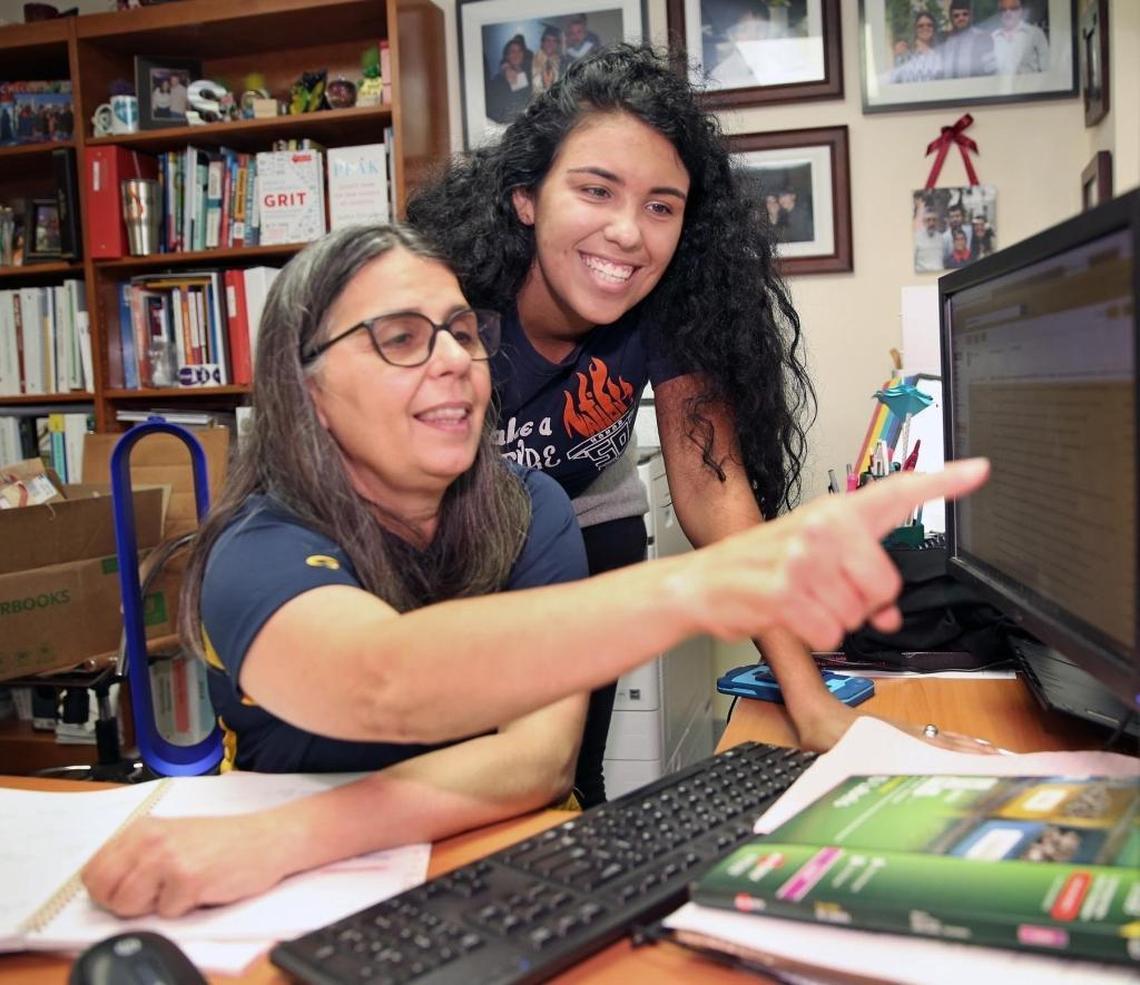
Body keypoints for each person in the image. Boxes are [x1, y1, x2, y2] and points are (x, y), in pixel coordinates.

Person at [78, 222, 992, 918]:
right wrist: (704, 583)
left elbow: (540, 759)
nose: (452, 364)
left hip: (477, 875)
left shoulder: (529, 509)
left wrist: (291, 831)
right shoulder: (255, 546)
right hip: (289, 909)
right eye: (400, 337)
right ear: (303, 388)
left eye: (459, 332)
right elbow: (382, 679)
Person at [407, 45, 993, 807]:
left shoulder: (671, 302)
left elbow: (718, 498)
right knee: (453, 764)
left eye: (661, 205)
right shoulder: (446, 295)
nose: (628, 233)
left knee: (567, 779)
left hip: (589, 515)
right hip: (448, 527)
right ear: (527, 196)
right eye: (595, 190)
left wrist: (811, 703)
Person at [940, 0, 995, 79]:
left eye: (965, 14)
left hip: (974, 88)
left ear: (971, 16)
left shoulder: (982, 37)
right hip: (949, 88)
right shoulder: (947, 41)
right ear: (951, 18)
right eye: (956, 16)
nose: (961, 18)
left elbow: (991, 71)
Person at [992, 0, 1049, 75]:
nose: (1008, 12)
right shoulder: (993, 37)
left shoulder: (1036, 33)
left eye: (1013, 8)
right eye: (1003, 9)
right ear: (999, 13)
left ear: (1020, 11)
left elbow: (1046, 68)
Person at [486, 34, 532, 125]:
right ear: (507, 56)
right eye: (512, 51)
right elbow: (493, 111)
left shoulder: (529, 74)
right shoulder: (498, 80)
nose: (517, 54)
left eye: (519, 51)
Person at [890, 12, 942, 84]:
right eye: (920, 26)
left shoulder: (939, 55)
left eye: (929, 25)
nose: (925, 28)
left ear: (934, 28)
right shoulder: (904, 52)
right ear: (915, 29)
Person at [532, 26, 562, 95]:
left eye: (554, 41)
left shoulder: (562, 62)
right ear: (542, 42)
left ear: (557, 44)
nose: (551, 44)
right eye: (548, 40)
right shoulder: (530, 60)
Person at [914, 204, 944, 272]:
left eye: (934, 220)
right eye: (928, 220)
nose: (931, 223)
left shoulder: (941, 238)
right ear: (924, 221)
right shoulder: (916, 238)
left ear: (937, 221)